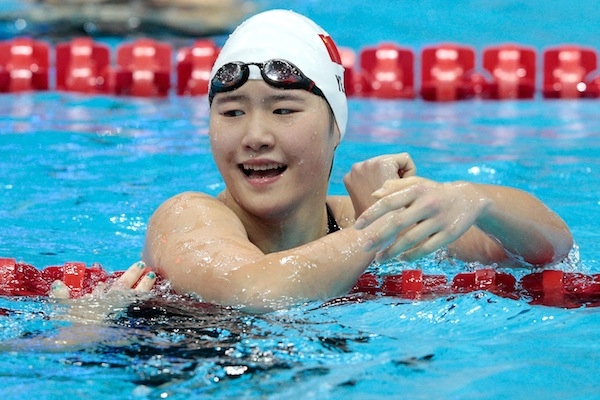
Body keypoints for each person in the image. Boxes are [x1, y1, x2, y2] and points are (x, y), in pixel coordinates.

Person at [79, 9, 573, 313]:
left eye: (283, 110)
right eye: (231, 112)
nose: (255, 136)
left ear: (337, 127)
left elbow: (550, 252)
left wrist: (469, 199)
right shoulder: (188, 216)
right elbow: (254, 291)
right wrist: (378, 231)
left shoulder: (357, 218)